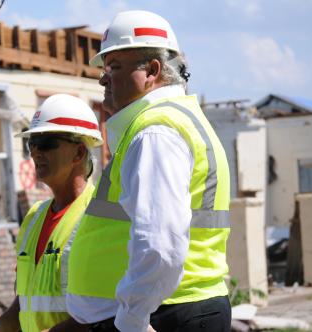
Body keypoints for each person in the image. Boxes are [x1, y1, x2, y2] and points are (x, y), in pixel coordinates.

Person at [63, 10, 232, 332]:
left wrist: (133, 319)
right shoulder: (171, 121)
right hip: (173, 309)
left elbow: (160, 242)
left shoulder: (156, 132)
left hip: (161, 315)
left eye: (114, 67)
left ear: (153, 70)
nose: (102, 78)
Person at [0, 94, 103, 332]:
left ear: (79, 153)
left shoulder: (100, 216)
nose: (35, 152)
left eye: (47, 143)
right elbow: (27, 301)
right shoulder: (34, 217)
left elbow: (104, 312)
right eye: (32, 143)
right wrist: (0, 326)